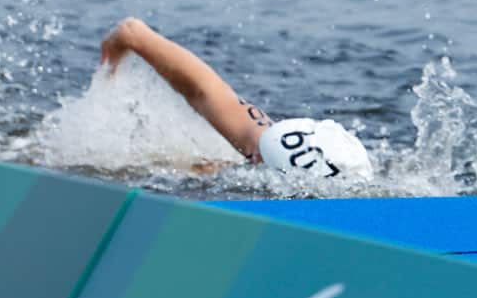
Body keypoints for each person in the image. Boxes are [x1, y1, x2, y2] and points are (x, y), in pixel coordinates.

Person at [97, 17, 376, 180]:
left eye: (260, 156)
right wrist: (132, 38)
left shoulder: (280, 170)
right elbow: (203, 90)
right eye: (259, 150)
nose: (254, 155)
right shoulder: (261, 141)